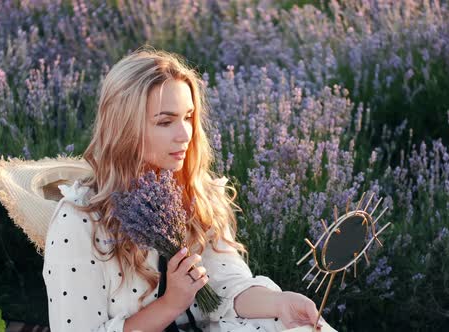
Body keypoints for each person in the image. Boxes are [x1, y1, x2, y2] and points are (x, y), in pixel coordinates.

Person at [41, 46, 336, 332]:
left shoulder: (196, 194)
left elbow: (228, 287)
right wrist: (171, 304)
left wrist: (278, 302)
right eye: (165, 121)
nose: (184, 134)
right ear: (124, 128)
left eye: (188, 117)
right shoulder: (79, 222)